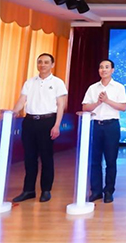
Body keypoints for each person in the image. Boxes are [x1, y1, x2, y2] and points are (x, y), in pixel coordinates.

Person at [12, 53, 67, 203]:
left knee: (46, 157)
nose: (42, 65)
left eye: (46, 62)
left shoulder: (58, 83)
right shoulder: (29, 82)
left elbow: (61, 105)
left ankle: (46, 190)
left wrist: (57, 125)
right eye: (40, 62)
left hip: (47, 121)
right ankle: (28, 190)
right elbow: (22, 100)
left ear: (52, 65)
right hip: (29, 122)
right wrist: (13, 112)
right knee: (29, 157)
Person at [82, 59, 126, 204]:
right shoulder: (92, 88)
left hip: (111, 126)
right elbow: (85, 107)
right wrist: (98, 102)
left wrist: (107, 100)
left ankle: (108, 191)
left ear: (112, 70)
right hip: (95, 125)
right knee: (94, 160)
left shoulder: (118, 87)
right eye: (101, 67)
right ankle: (96, 191)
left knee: (110, 160)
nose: (104, 70)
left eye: (107, 67)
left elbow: (123, 107)